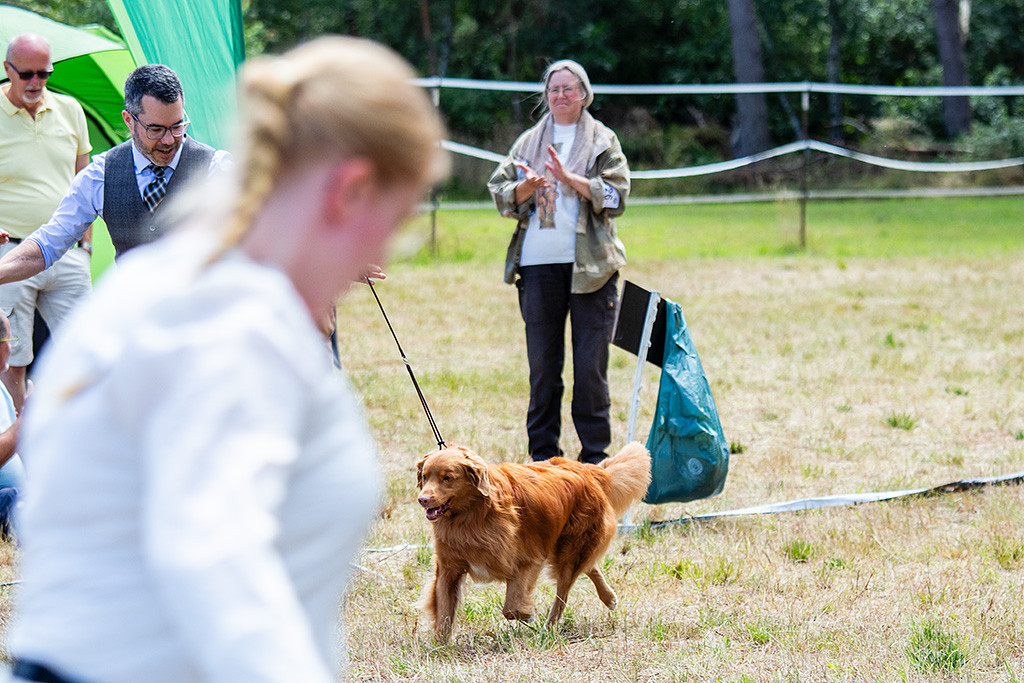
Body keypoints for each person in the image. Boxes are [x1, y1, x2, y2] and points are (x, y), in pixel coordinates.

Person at [7, 35, 447, 683]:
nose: (383, 253)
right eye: (396, 222)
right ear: (350, 190)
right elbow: (209, 555)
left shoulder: (173, 287)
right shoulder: (232, 324)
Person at [488, 59, 630, 466]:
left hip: (591, 269)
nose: (561, 95)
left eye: (569, 88)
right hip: (537, 266)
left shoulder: (602, 140)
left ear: (584, 95)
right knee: (543, 369)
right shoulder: (528, 142)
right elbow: (499, 190)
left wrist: (571, 179)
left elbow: (617, 196)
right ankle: (544, 458)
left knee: (590, 368)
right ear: (546, 96)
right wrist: (526, 187)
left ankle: (595, 461)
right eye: (554, 89)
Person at [0, 62, 231, 288]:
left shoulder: (217, 169)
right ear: (129, 120)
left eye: (178, 126)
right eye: (156, 129)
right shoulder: (100, 175)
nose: (169, 139)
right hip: (134, 310)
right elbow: (47, 244)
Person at [0, 34, 93, 412]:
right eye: (27, 74)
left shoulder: (70, 109)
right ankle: (16, 439)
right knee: (13, 358)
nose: (36, 82)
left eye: (44, 73)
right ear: (7, 70)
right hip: (11, 254)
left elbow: (85, 177)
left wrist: (86, 247)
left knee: (88, 348)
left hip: (67, 253)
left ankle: (80, 431)